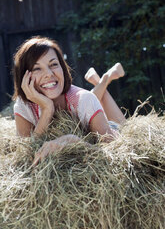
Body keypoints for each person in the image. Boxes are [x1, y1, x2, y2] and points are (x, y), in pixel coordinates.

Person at [13, 36, 126, 165]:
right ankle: (100, 81)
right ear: (24, 77)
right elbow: (25, 159)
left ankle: (105, 79)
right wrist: (47, 109)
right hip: (85, 102)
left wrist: (72, 141)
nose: (49, 74)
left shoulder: (84, 100)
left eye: (54, 64)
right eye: (37, 68)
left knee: (122, 124)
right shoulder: (24, 107)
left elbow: (114, 154)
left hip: (111, 129)